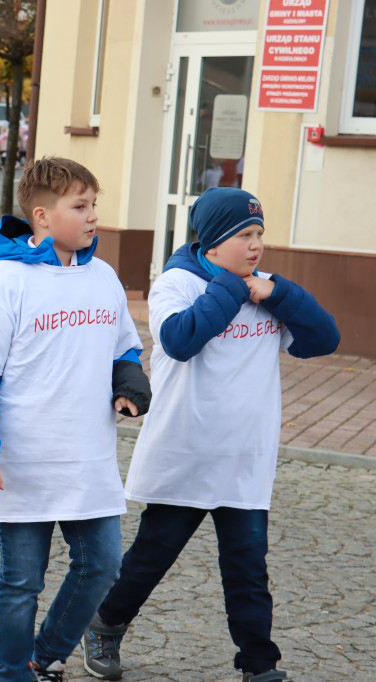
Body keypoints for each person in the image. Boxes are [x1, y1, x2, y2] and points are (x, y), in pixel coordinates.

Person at [82, 187, 340, 682]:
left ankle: (259, 665)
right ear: (216, 240)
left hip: (245, 459)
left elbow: (324, 339)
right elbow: (180, 340)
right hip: (186, 452)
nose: (255, 245)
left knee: (248, 570)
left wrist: (279, 293)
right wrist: (233, 288)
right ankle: (106, 625)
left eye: (260, 234)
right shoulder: (175, 283)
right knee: (150, 558)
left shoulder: (265, 289)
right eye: (245, 234)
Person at [0, 156, 151, 681]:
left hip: (88, 459)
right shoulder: (2, 282)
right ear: (41, 216)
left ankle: (46, 655)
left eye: (94, 206)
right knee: (22, 582)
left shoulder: (103, 277)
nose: (92, 218)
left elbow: (122, 348)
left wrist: (128, 384)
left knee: (103, 566)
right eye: (79, 206)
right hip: (23, 462)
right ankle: (13, 672)